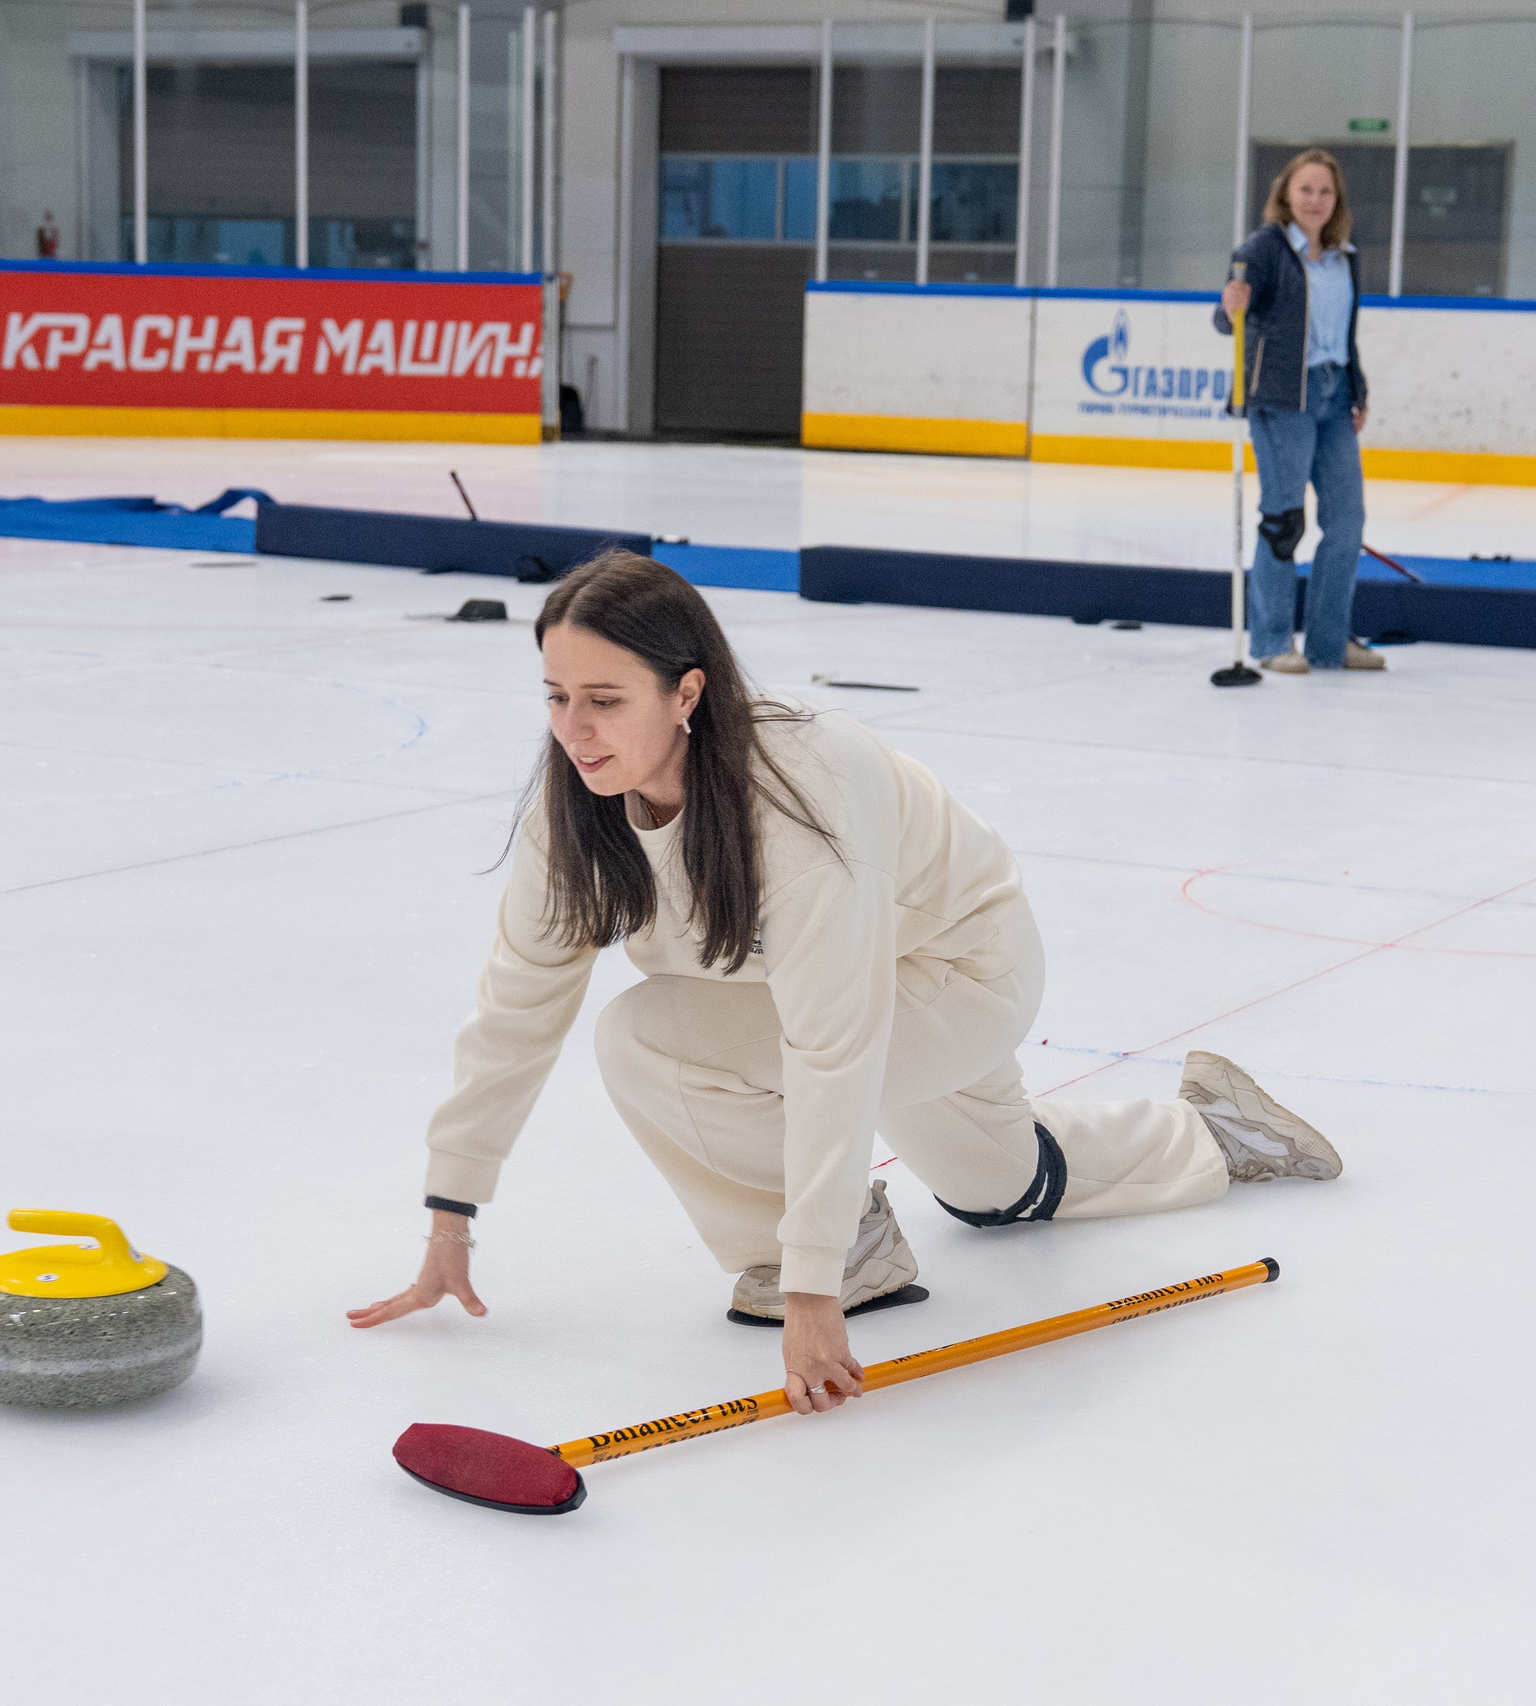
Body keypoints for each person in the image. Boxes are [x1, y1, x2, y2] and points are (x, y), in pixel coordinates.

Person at [347, 552, 1342, 1412]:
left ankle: (847, 1247)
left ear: (686, 693)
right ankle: (1217, 1129)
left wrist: (816, 1281)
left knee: (642, 1036)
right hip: (815, 993)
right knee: (1000, 1189)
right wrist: (451, 1211)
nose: (574, 728)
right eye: (557, 696)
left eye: (604, 700)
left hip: (958, 973)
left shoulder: (800, 785)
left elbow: (833, 1044)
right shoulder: (576, 807)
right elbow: (517, 1006)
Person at [1214, 148, 1381, 675]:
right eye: (1305, 189)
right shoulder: (1262, 249)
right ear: (1286, 193)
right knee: (1284, 521)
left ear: (1337, 200)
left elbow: (1345, 333)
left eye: (1325, 191)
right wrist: (1229, 308)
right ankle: (1271, 641)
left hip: (1334, 392)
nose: (1315, 200)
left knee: (1347, 520)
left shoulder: (1345, 256)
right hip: (1282, 397)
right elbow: (1225, 321)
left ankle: (1329, 642)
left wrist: (1356, 389)